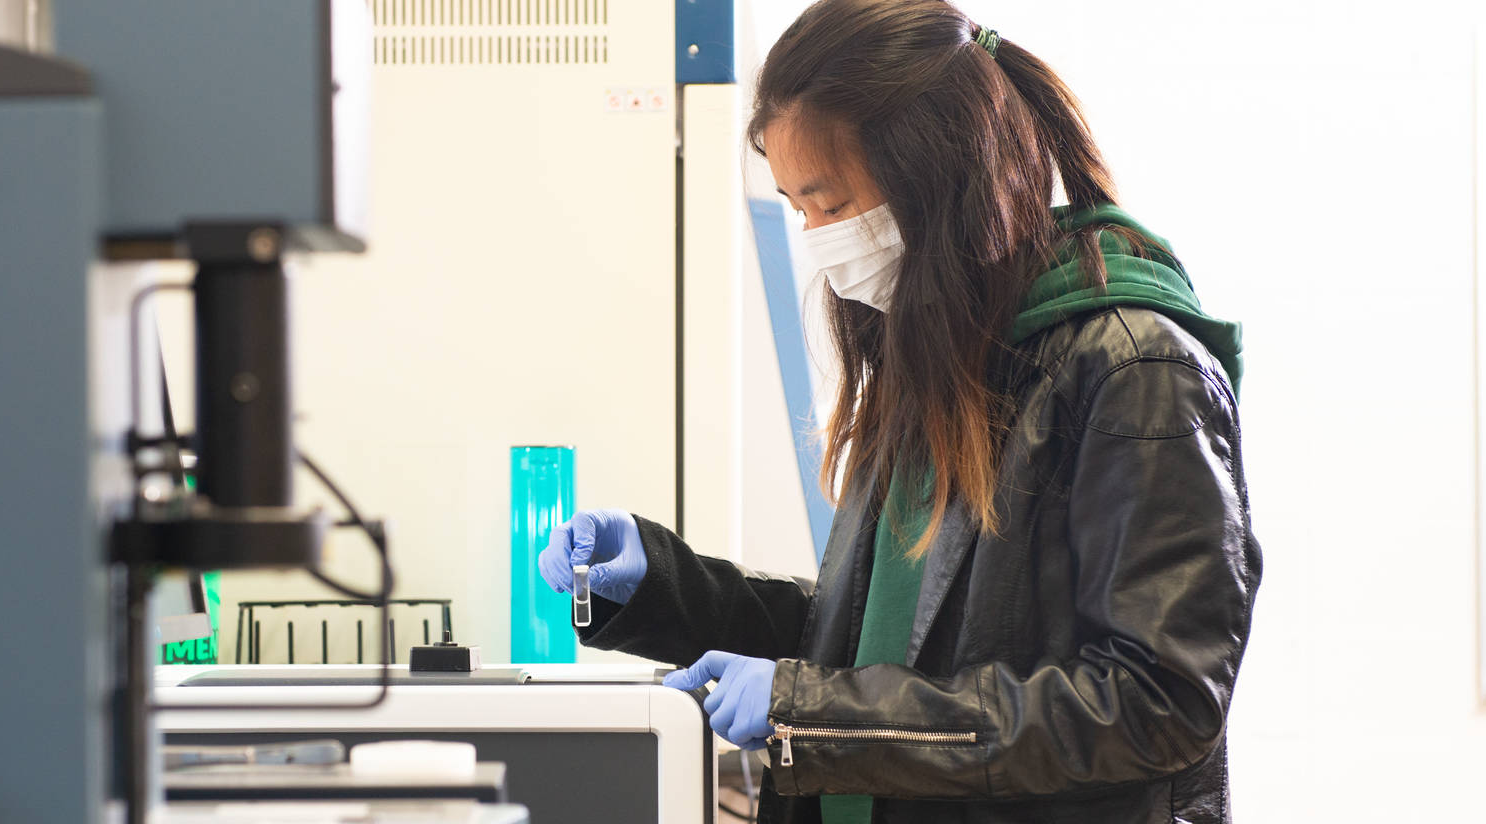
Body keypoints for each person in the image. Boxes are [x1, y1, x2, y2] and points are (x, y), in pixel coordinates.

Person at [536, 1, 1262, 821]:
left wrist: (812, 715)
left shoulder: (1139, 372)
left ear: (940, 176)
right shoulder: (934, 362)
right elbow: (872, 645)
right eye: (797, 206)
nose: (816, 239)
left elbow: (1155, 705)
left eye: (833, 204)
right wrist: (660, 586)